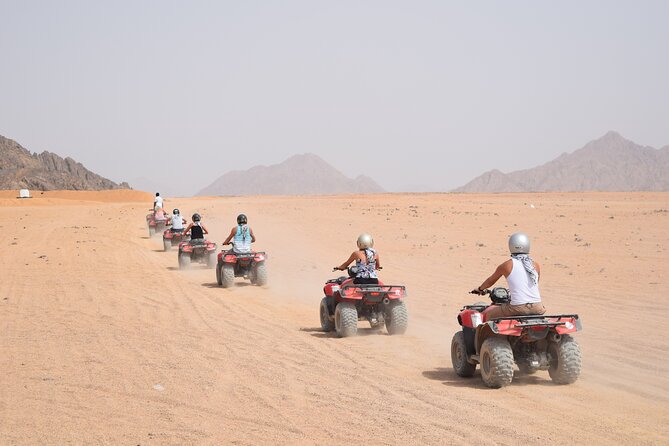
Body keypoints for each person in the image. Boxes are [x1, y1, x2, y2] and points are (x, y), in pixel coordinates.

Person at [472, 232, 545, 320]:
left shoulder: (507, 265)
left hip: (517, 308)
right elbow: (535, 283)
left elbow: (490, 281)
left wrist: (480, 289)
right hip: (538, 307)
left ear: (511, 245)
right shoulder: (535, 265)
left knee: (487, 315)